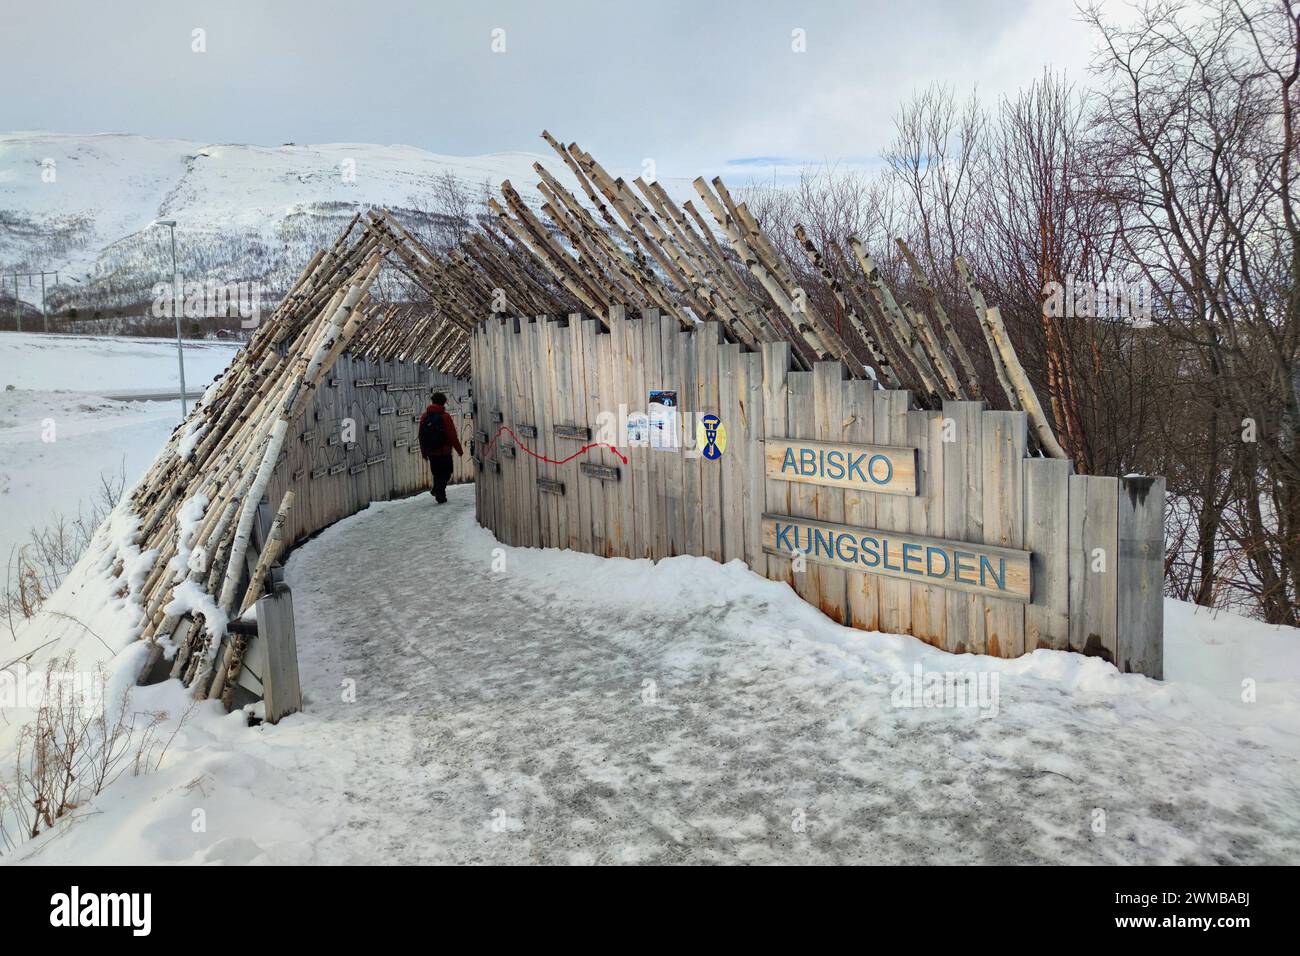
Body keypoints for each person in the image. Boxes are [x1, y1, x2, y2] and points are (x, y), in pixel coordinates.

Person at [417, 390, 463, 503]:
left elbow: (421, 436)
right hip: (444, 452)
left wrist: (424, 453)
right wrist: (459, 450)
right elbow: (452, 435)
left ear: (433, 401)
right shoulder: (445, 417)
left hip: (431, 452)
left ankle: (440, 496)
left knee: (437, 474)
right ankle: (437, 490)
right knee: (447, 473)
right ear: (443, 403)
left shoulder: (424, 416)